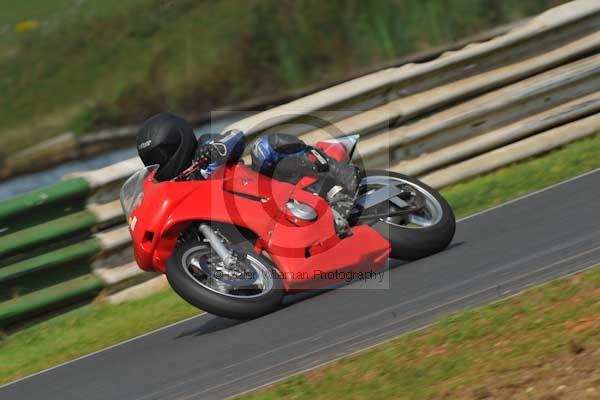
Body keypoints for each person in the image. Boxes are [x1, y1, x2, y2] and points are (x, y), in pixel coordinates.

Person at [136, 113, 361, 205]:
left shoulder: (204, 148)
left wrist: (214, 154)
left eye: (163, 153)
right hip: (245, 216)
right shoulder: (172, 187)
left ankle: (341, 173)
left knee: (264, 148)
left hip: (263, 189)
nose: (162, 160)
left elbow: (235, 137)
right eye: (155, 158)